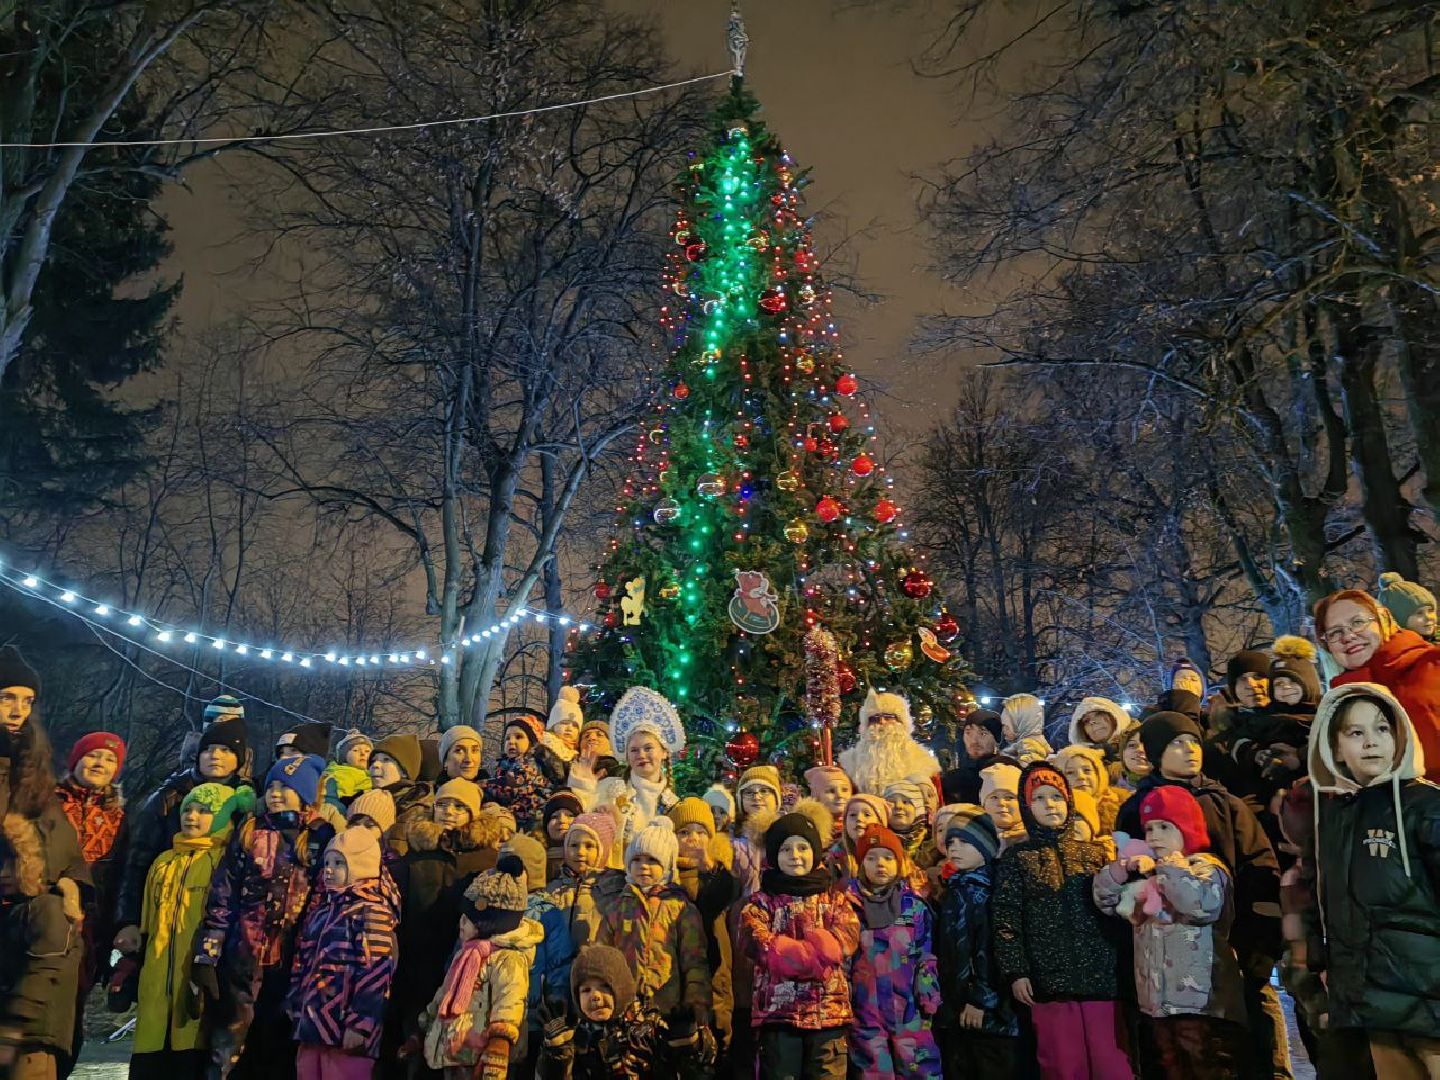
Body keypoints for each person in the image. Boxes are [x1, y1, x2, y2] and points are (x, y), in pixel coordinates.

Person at [1116, 711, 1287, 1080]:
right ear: (1157, 752)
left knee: (1239, 1054)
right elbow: (1131, 879)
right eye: (1177, 743)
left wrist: (1259, 947)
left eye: (1194, 741)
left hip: (1231, 954)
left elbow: (1260, 869)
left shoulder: (1227, 803)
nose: (1190, 749)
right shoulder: (1136, 809)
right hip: (1164, 966)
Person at [1307, 682, 1440, 1079]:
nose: (1371, 743)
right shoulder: (1333, 816)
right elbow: (1328, 902)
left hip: (1431, 997)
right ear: (1335, 749)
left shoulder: (1426, 806)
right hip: (1370, 999)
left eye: (1382, 729)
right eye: (1355, 732)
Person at [194, 754, 335, 1080]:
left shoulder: (317, 835)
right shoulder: (251, 830)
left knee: (277, 1034)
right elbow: (224, 890)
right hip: (244, 950)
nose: (274, 792)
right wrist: (210, 945)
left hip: (293, 955)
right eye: (270, 786)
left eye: (285, 787)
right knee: (232, 1029)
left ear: (304, 793)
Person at [1094, 785, 1246, 1077]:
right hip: (1159, 1005)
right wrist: (1120, 871)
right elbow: (1107, 901)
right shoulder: (1151, 873)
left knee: (1207, 1066)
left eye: (1164, 827)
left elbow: (1201, 904)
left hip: (1201, 1003)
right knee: (1172, 1066)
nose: (1154, 836)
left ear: (1187, 829)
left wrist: (1168, 870)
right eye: (1149, 829)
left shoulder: (1205, 869)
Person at [993, 763, 1130, 1079]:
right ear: (1028, 807)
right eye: (1039, 798)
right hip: (1049, 982)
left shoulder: (1096, 853)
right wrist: (1016, 971)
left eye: (1056, 796)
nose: (1049, 805)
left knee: (1112, 1063)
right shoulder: (1018, 858)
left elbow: (1114, 912)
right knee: (1063, 1065)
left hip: (1100, 978)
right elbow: (1006, 918)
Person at [130, 783, 252, 1080]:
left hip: (197, 984)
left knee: (189, 1060)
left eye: (204, 811)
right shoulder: (162, 862)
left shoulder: (222, 863)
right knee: (150, 1060)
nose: (192, 816)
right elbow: (146, 925)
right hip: (156, 990)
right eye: (188, 809)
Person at [115, 700, 250, 956]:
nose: (216, 757)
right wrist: (128, 920)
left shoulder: (248, 800)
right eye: (209, 749)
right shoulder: (170, 797)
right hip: (165, 913)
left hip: (222, 923)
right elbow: (137, 861)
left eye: (225, 749)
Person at [386, 777, 502, 1067]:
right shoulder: (416, 855)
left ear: (473, 815)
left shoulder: (487, 859)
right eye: (444, 804)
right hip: (417, 962)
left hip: (464, 965)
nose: (449, 811)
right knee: (412, 1042)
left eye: (459, 807)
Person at [738, 811, 860, 1080]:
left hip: (828, 1011)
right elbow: (752, 937)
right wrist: (796, 955)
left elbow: (847, 933)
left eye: (803, 847)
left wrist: (827, 946)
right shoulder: (762, 902)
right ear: (774, 855)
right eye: (786, 848)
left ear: (815, 852)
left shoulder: (834, 899)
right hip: (779, 1014)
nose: (795, 855)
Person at [287, 827, 398, 1080]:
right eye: (327, 862)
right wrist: (295, 1003)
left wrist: (361, 1024)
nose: (328, 869)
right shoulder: (322, 911)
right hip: (312, 1026)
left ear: (360, 867)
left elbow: (376, 973)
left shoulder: (372, 911)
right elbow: (303, 961)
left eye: (339, 863)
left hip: (346, 1033)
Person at [415, 859, 539, 1080]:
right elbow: (445, 994)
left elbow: (510, 1002)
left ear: (488, 924)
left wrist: (499, 1045)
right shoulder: (466, 954)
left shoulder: (508, 958)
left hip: (486, 1059)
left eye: (468, 920)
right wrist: (423, 1027)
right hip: (456, 1053)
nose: (461, 924)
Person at [53, 731, 127, 1074]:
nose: (100, 764)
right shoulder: (47, 802)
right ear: (76, 759)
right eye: (94, 755)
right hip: (46, 919)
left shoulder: (120, 817)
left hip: (91, 933)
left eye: (110, 759)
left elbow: (122, 877)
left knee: (71, 1013)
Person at [845, 824, 942, 1078]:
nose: (881, 864)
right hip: (865, 1007)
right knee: (874, 1070)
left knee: (919, 1067)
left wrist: (928, 991)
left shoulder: (913, 906)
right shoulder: (847, 905)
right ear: (861, 862)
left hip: (908, 1007)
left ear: (899, 862)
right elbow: (842, 957)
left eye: (888, 857)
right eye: (872, 858)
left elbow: (925, 953)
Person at [1316, 587, 1440, 783]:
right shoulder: (1338, 701)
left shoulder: (1432, 665)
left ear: (1384, 620)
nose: (1347, 637)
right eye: (1335, 632)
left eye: (1357, 623)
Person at [594, 818, 710, 1022]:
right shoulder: (617, 908)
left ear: (666, 865)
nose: (643, 867)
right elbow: (602, 957)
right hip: (626, 1011)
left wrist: (695, 1007)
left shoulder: (680, 908)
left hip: (669, 1011)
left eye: (652, 860)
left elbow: (694, 961)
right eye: (636, 860)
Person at [933, 810, 1016, 1080]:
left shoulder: (988, 892)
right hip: (958, 1008)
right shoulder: (957, 888)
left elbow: (990, 950)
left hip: (989, 1013)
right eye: (951, 842)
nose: (954, 848)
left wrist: (981, 999)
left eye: (965, 843)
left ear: (985, 847)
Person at [535, 943, 699, 1079]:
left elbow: (692, 1068)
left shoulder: (649, 1026)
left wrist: (689, 1045)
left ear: (622, 989)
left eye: (605, 986)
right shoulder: (576, 1037)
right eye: (586, 990)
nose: (595, 996)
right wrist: (557, 1054)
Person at [0, 809, 76, 1080]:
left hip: (32, 1040)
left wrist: (11, 1028)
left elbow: (43, 970)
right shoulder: (12, 910)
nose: (3, 873)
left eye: (12, 863)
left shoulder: (48, 907)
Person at [497, 833, 576, 1071]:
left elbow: (559, 962)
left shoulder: (547, 912)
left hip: (532, 1016)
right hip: (493, 1013)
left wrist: (554, 1007)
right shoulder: (492, 906)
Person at [668, 797, 738, 1053]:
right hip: (678, 964)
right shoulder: (667, 874)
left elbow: (725, 893)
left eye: (701, 832)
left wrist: (710, 870)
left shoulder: (716, 873)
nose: (693, 838)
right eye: (684, 832)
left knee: (718, 1018)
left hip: (714, 961)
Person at [599, 688, 684, 853]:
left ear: (664, 752)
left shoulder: (673, 805)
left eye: (648, 748)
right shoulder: (609, 792)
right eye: (634, 750)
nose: (641, 755)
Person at [837, 689, 941, 796]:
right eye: (875, 719)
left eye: (888, 717)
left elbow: (932, 804)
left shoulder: (923, 762)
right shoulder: (850, 764)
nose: (881, 722)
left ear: (901, 722)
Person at [544, 810, 620, 952]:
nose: (580, 852)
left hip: (596, 967)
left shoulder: (615, 891)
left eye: (589, 846)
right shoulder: (553, 889)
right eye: (574, 845)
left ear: (603, 850)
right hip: (558, 969)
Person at [484, 714, 552, 833]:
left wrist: (487, 786)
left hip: (529, 812)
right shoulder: (504, 764)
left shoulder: (529, 765)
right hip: (511, 809)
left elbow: (512, 788)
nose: (511, 742)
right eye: (507, 738)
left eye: (518, 737)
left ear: (531, 743)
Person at [366, 733, 432, 846]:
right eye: (373, 760)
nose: (375, 765)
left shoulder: (417, 809)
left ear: (404, 771)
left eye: (386, 760)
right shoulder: (362, 801)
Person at [732, 765, 783, 896]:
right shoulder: (731, 839)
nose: (757, 797)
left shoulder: (789, 833)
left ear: (776, 798)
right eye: (749, 792)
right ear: (741, 799)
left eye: (764, 791)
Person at [939, 709, 1007, 805]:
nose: (974, 740)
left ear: (996, 739)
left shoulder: (1005, 775)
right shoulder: (952, 779)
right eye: (968, 733)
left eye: (983, 733)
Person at [1052, 745, 1123, 835]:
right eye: (1070, 772)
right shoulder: (1054, 811)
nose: (1081, 777)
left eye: (1087, 770)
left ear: (1098, 774)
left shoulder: (1122, 803)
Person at [825, 792, 888, 882]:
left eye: (867, 814)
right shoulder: (836, 858)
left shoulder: (892, 854)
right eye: (852, 815)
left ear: (880, 822)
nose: (859, 818)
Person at [1067, 697, 1134, 775]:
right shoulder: (1079, 763)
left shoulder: (1145, 740)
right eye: (1086, 721)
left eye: (1099, 714)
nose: (1092, 721)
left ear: (1115, 714)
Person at [536, 687, 583, 788]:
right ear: (553, 725)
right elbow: (558, 778)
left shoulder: (576, 753)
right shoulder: (546, 748)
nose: (569, 728)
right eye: (564, 723)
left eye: (575, 726)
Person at [565, 721, 614, 812]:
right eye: (586, 736)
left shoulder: (618, 770)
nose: (592, 738)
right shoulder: (567, 769)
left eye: (599, 735)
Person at [1377, 571, 1438, 643]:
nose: (1429, 617)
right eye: (1419, 613)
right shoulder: (1402, 650)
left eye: (1430, 610)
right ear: (1396, 619)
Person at [322, 730, 373, 813]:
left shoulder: (372, 773)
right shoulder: (342, 773)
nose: (363, 753)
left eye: (367, 751)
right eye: (356, 750)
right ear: (344, 757)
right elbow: (336, 800)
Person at [979, 763, 1026, 851]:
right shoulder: (972, 841)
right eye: (994, 797)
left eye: (1009, 797)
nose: (1001, 803)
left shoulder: (1037, 840)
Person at [999, 694, 1052, 767]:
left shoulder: (1029, 755)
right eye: (1003, 725)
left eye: (1007, 726)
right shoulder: (1027, 749)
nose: (1003, 730)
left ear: (1022, 723)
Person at [542, 792, 583, 886]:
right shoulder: (534, 857)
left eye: (570, 815)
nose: (562, 820)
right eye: (554, 816)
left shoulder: (590, 856)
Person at [803, 766, 853, 838]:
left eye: (844, 790)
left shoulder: (859, 826)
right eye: (831, 791)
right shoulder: (808, 829)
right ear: (816, 796)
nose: (840, 795)